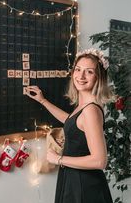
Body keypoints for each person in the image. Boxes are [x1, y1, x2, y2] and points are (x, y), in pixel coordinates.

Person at [25, 48, 114, 203]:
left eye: (89, 72)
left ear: (99, 77)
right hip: (74, 180)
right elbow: (71, 122)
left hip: (85, 187)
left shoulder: (91, 110)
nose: (81, 76)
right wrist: (43, 101)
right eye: (78, 69)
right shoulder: (83, 106)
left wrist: (59, 159)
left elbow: (100, 161)